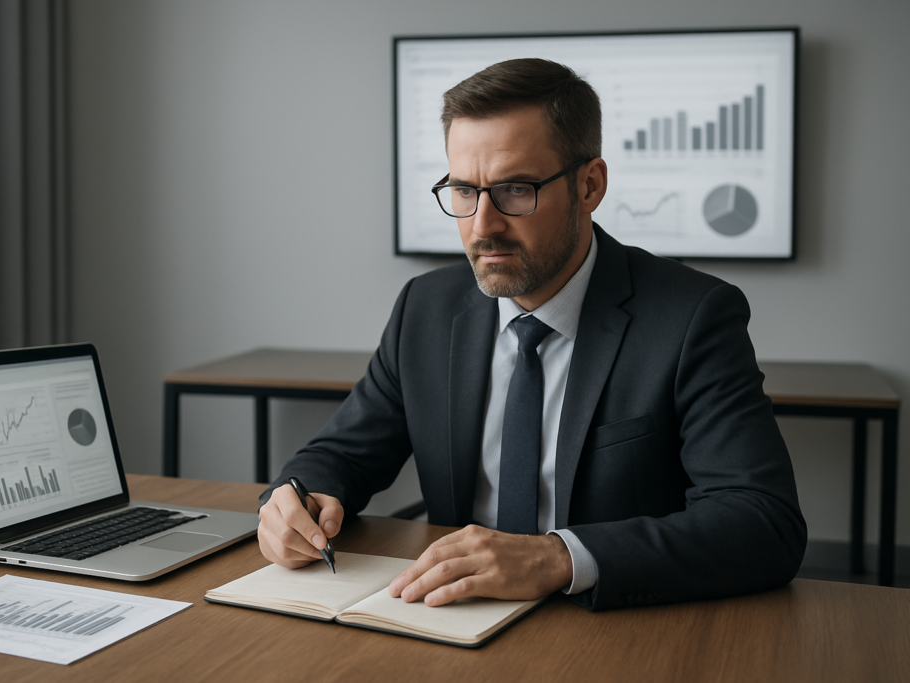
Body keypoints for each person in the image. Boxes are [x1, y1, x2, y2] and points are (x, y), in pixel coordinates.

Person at [256, 58, 806, 611]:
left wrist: (557, 557)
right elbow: (343, 453)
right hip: (449, 620)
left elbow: (763, 520)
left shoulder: (692, 317)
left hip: (611, 629)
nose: (482, 225)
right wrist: (300, 497)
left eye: (515, 190)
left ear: (590, 185)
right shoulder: (425, 307)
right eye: (464, 190)